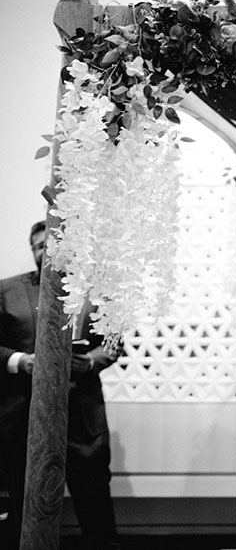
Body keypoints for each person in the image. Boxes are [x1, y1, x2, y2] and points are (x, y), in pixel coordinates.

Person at [0, 221, 120, 549]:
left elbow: (113, 342)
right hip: (22, 420)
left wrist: (92, 359)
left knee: (96, 508)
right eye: (40, 246)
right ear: (33, 250)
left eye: (53, 245)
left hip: (83, 418)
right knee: (25, 508)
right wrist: (19, 361)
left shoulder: (96, 293)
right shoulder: (5, 291)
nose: (47, 251)